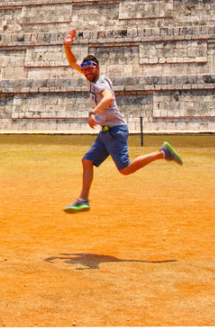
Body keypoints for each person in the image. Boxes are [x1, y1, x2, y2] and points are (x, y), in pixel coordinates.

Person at [62, 29, 182, 213]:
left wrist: (93, 111)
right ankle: (83, 199)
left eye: (90, 69)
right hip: (105, 133)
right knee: (87, 161)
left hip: (116, 130)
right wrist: (67, 46)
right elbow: (72, 62)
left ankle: (162, 153)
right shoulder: (89, 77)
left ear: (97, 68)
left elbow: (109, 97)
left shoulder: (101, 81)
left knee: (125, 169)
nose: (86, 71)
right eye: (84, 69)